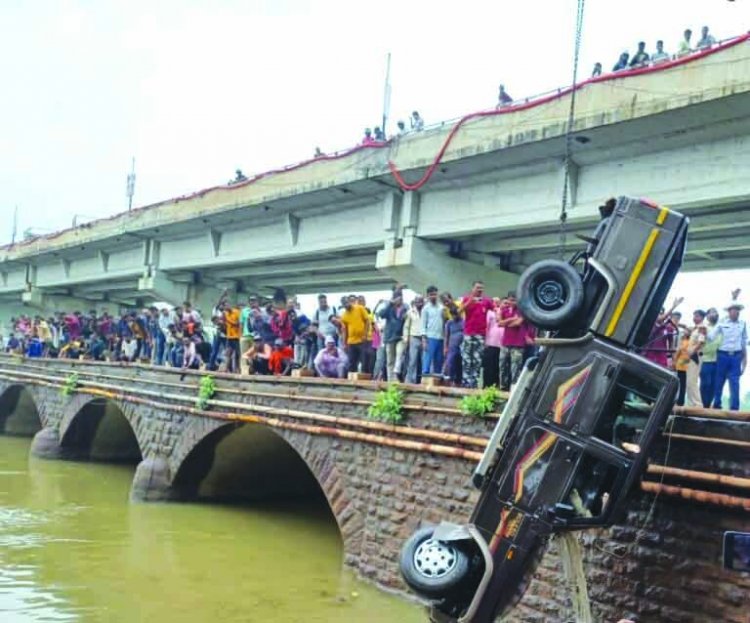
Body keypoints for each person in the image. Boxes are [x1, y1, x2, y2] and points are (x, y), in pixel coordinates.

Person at [713, 299, 747, 411]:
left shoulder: (743, 324)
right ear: (729, 312)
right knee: (719, 381)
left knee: (735, 383)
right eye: (733, 310)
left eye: (737, 310)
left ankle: (734, 408)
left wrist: (744, 362)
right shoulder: (722, 323)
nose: (736, 312)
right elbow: (712, 336)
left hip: (736, 357)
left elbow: (744, 342)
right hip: (722, 355)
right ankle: (717, 404)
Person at [460, 281, 494, 388]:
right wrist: (470, 301)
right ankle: (466, 381)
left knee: (477, 359)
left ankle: (473, 382)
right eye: (477, 288)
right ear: (473, 288)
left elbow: (495, 309)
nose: (479, 290)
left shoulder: (486, 301)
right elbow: (460, 310)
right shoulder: (467, 298)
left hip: (480, 334)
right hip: (468, 333)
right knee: (466, 358)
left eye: (481, 288)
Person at [498, 292, 528, 389]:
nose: (511, 302)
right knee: (502, 366)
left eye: (514, 300)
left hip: (517, 345)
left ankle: (514, 388)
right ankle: (503, 387)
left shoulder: (523, 311)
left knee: (515, 368)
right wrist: (511, 319)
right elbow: (499, 323)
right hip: (505, 343)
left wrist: (506, 322)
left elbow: (518, 323)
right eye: (510, 300)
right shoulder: (505, 310)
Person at [378, 289, 408, 381]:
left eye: (401, 296)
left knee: (399, 355)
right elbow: (381, 314)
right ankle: (391, 380)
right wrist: (390, 304)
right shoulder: (389, 307)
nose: (399, 299)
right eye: (397, 297)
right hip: (389, 337)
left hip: (400, 337)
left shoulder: (406, 308)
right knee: (390, 360)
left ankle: (396, 372)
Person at [340, 295, 371, 374]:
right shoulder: (344, 316)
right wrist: (344, 343)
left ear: (349, 302)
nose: (346, 304)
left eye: (347, 302)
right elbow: (344, 330)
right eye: (344, 304)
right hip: (351, 342)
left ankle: (365, 379)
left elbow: (367, 321)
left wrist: (365, 334)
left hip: (361, 340)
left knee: (364, 361)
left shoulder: (359, 308)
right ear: (343, 305)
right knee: (352, 363)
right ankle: (352, 381)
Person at [700, 307, 721, 408]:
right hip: (705, 359)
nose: (714, 314)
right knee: (706, 383)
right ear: (707, 316)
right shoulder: (703, 327)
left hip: (719, 360)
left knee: (714, 384)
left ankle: (708, 405)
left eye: (716, 312)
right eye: (712, 312)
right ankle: (704, 404)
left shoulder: (721, 328)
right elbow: (699, 341)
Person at [421, 286, 445, 376]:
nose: (433, 296)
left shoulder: (442, 308)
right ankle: (425, 378)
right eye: (431, 295)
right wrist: (424, 340)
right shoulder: (425, 309)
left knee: (439, 360)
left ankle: (437, 380)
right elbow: (423, 325)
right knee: (427, 359)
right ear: (428, 296)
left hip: (441, 337)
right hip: (430, 337)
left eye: (435, 294)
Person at [685, 310, 707, 407]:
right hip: (691, 356)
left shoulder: (702, 327)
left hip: (696, 356)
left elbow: (701, 342)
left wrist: (692, 351)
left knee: (692, 380)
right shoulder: (695, 328)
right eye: (694, 316)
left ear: (702, 317)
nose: (695, 318)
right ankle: (692, 403)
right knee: (688, 381)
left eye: (697, 316)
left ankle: (697, 404)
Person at [483, 298, 505, 388]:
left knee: (497, 366)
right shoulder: (489, 313)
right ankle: (487, 385)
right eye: (494, 302)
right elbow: (486, 327)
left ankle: (496, 385)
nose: (496, 303)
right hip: (490, 343)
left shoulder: (505, 313)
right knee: (489, 366)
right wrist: (485, 341)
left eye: (498, 302)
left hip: (501, 344)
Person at [403, 296, 424, 384]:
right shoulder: (410, 312)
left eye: (420, 302)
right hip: (413, 337)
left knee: (424, 361)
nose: (419, 303)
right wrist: (406, 339)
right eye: (417, 302)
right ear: (414, 302)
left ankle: (424, 381)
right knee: (413, 360)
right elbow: (406, 327)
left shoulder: (425, 311)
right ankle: (410, 381)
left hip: (423, 338)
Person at [443, 307, 464, 386]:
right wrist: (445, 347)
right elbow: (446, 336)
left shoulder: (463, 322)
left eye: (456, 314)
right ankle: (450, 380)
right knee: (450, 363)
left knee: (460, 364)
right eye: (453, 315)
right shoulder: (449, 323)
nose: (454, 316)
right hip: (452, 346)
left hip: (462, 347)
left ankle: (458, 381)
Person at [673, 333, 691, 406]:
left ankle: (679, 401)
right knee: (683, 385)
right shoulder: (689, 343)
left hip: (681, 365)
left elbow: (677, 353)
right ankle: (681, 401)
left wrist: (674, 362)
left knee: (680, 385)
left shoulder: (684, 343)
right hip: (684, 366)